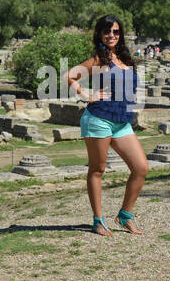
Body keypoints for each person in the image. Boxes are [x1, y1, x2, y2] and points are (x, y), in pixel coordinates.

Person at [62, 16, 148, 236]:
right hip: (98, 119)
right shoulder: (99, 59)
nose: (112, 35)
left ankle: (124, 216)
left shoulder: (125, 58)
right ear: (100, 35)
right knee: (98, 169)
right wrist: (86, 94)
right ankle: (98, 220)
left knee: (141, 168)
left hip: (121, 121)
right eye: (107, 32)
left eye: (116, 32)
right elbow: (69, 76)